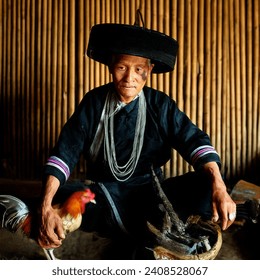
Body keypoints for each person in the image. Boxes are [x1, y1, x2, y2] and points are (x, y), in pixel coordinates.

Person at [37, 23, 236, 257]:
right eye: (122, 67)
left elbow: (193, 140)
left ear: (149, 69)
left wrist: (219, 187)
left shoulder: (159, 105)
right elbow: (64, 153)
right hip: (104, 193)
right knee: (60, 196)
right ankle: (145, 232)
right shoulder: (94, 103)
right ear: (111, 65)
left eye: (139, 69)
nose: (129, 78)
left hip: (153, 193)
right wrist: (45, 205)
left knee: (208, 186)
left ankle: (137, 228)